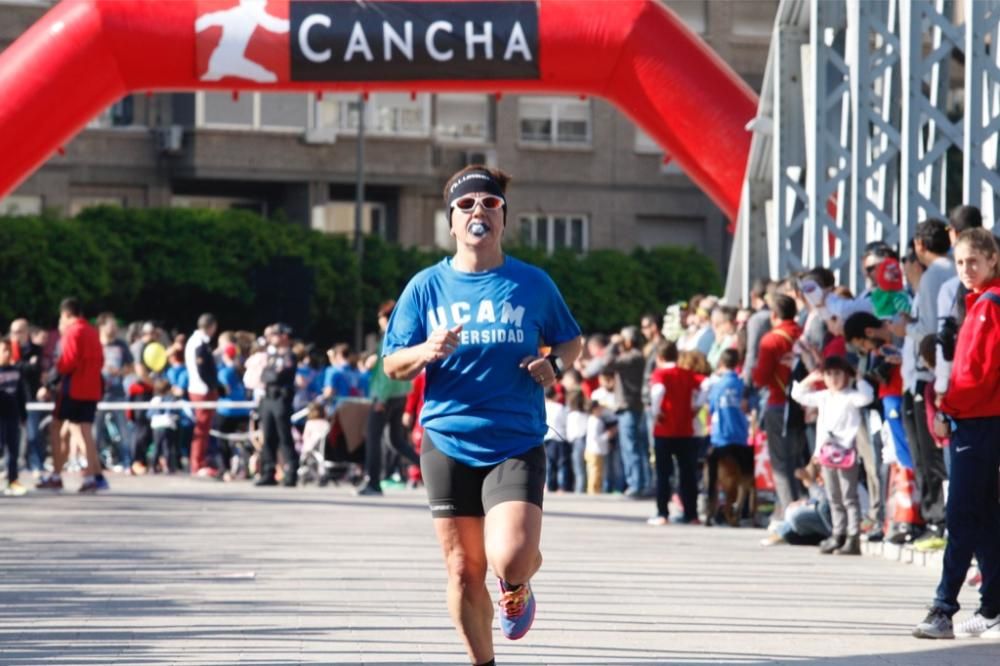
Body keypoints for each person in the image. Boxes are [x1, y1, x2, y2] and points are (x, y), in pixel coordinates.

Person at [381, 165, 582, 664]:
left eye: (490, 205)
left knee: (510, 556)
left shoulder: (531, 283)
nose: (478, 213)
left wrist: (554, 364)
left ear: (503, 219)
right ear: (450, 221)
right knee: (462, 569)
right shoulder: (426, 287)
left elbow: (571, 339)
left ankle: (517, 583)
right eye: (466, 205)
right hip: (448, 440)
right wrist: (427, 349)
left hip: (515, 438)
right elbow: (391, 363)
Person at [913, 228, 1000, 640]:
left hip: (979, 421)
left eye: (974, 262)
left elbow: (979, 375)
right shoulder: (980, 303)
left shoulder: (988, 306)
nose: (967, 269)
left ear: (992, 260)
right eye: (962, 261)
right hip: (980, 419)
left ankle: (943, 607)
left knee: (963, 514)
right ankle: (993, 605)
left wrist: (947, 407)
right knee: (981, 514)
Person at [790, 356, 874, 555]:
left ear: (846, 375)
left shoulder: (851, 395)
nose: (833, 378)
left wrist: (859, 378)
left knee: (849, 496)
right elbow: (798, 394)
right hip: (827, 453)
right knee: (833, 496)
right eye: (829, 374)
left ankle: (853, 536)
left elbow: (867, 397)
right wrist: (810, 379)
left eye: (838, 373)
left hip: (846, 453)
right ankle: (838, 533)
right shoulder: (824, 396)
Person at [751, 293, 805, 520]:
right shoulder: (803, 333)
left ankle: (788, 514)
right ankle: (804, 508)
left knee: (781, 464)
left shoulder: (771, 340)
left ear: (774, 315)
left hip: (778, 402)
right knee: (800, 459)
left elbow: (761, 377)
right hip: (804, 404)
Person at [357, 300, 418, 497]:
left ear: (386, 317)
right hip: (401, 392)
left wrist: (381, 398)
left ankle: (373, 482)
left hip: (385, 395)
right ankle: (426, 468)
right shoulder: (403, 335)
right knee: (396, 440)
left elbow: (386, 372)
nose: (379, 321)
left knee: (373, 438)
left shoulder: (388, 337)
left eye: (380, 317)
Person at [584, 326, 650, 498]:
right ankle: (635, 483)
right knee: (631, 446)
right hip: (628, 405)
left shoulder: (633, 357)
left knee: (632, 447)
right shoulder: (633, 356)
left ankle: (637, 484)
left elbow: (607, 363)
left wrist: (613, 344)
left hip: (630, 406)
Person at [54, 298, 107, 493]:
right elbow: (100, 360)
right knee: (83, 431)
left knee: (65, 428)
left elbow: (68, 361)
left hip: (74, 387)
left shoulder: (73, 331)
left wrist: (54, 375)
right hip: (92, 388)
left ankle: (60, 474)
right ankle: (94, 474)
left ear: (66, 314)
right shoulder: (92, 332)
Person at [649, 340, 701, 525]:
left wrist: (656, 412)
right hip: (686, 430)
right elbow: (706, 385)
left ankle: (662, 513)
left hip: (664, 430)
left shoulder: (660, 373)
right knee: (688, 473)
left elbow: (657, 391)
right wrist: (696, 406)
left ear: (660, 357)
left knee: (663, 474)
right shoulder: (687, 374)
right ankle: (692, 514)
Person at [704, 348, 752, 526]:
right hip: (740, 438)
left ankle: (710, 510)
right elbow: (748, 407)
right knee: (745, 478)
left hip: (720, 438)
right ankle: (740, 511)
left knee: (712, 478)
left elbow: (712, 408)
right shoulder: (742, 385)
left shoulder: (717, 386)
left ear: (721, 363)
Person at [255, 323, 299, 487]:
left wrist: (271, 375)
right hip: (268, 399)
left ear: (284, 336)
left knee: (284, 437)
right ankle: (268, 471)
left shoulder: (289, 356)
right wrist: (271, 374)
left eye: (275, 334)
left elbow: (277, 376)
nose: (271, 338)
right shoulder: (272, 356)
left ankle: (291, 472)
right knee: (268, 436)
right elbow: (265, 375)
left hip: (281, 399)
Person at [95, 313, 133, 470]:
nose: (115, 328)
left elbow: (131, 367)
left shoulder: (121, 345)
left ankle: (126, 462)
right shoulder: (95, 344)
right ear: (102, 326)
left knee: (123, 429)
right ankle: (95, 464)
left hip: (117, 393)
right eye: (112, 324)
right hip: (98, 394)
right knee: (94, 431)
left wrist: (119, 371)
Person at [185, 313, 220, 477]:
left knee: (204, 428)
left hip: (200, 388)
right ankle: (197, 463)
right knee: (202, 427)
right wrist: (213, 386)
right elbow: (202, 370)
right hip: (202, 390)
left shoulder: (195, 341)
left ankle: (199, 461)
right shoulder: (200, 343)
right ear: (211, 326)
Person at [9, 318, 44, 475]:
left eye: (19, 332)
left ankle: (36, 464)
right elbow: (11, 368)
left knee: (33, 433)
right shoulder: (8, 348)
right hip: (11, 397)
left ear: (26, 332)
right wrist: (27, 365)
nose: (15, 335)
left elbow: (36, 369)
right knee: (10, 434)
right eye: (13, 332)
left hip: (30, 396)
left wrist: (22, 365)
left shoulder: (37, 349)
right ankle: (11, 465)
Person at [0, 338, 30, 496]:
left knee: (13, 450)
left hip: (13, 416)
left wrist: (23, 415)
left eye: (8, 350)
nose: (6, 353)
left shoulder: (16, 371)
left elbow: (21, 395)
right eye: (3, 350)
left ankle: (13, 480)